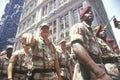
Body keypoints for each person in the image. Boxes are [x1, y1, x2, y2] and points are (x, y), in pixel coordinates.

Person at [69, 6, 112, 80]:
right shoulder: (79, 26)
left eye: (91, 12)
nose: (90, 13)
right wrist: (99, 73)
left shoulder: (91, 31)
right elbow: (76, 46)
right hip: (87, 70)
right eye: (87, 13)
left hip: (98, 67)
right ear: (82, 17)